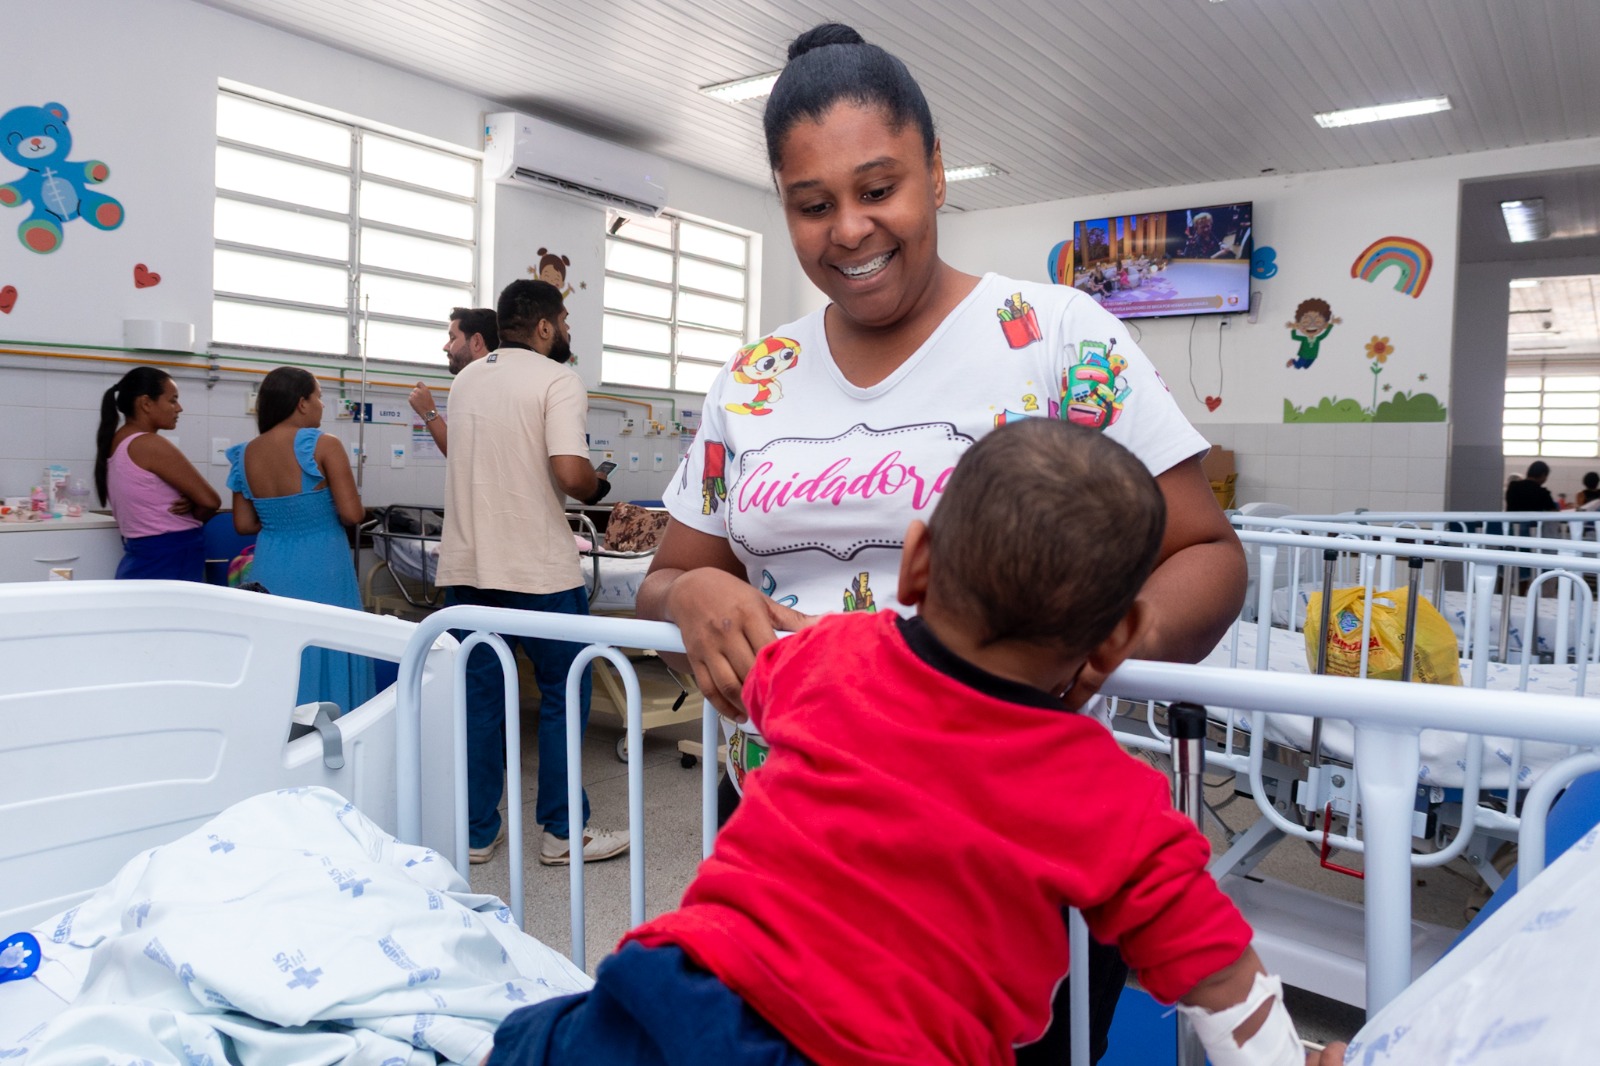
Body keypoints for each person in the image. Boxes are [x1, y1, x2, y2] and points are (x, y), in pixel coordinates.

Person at [635, 22, 1247, 1063]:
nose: (850, 229)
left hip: (1006, 857)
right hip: (789, 841)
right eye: (812, 204)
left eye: (879, 188)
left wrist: (1075, 663)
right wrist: (691, 600)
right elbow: (669, 573)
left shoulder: (1058, 338)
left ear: (937, 169)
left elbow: (1208, 555)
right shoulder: (753, 381)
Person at [485, 420, 1343, 1066]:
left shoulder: (825, 661)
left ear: (918, 560)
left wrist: (691, 585)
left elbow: (753, 674)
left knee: (530, 1041)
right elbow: (1225, 986)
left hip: (681, 1000)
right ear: (1116, 637)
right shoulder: (1116, 802)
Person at [434, 279, 625, 868]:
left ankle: (475, 832)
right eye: (564, 320)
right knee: (564, 696)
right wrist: (598, 485)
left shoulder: (466, 380)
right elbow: (570, 472)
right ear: (543, 326)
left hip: (469, 569)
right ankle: (563, 832)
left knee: (482, 701)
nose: (567, 331)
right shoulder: (557, 379)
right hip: (539, 570)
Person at [226, 367, 374, 712]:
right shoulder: (323, 445)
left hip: (270, 564)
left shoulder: (244, 454)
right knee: (328, 640)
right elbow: (353, 515)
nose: (322, 405)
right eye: (319, 396)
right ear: (302, 403)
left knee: (279, 647)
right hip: (322, 562)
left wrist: (281, 518)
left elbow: (244, 524)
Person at [94, 366, 220, 580]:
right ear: (146, 403)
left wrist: (190, 501)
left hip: (141, 556)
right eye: (172, 400)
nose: (179, 408)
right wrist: (193, 511)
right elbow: (210, 502)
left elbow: (149, 495)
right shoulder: (149, 444)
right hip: (172, 555)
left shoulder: (117, 441)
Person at [409, 306, 499, 457]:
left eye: (452, 338)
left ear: (477, 342)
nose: (445, 347)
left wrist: (428, 412)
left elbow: (458, 454)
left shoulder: (473, 386)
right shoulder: (497, 383)